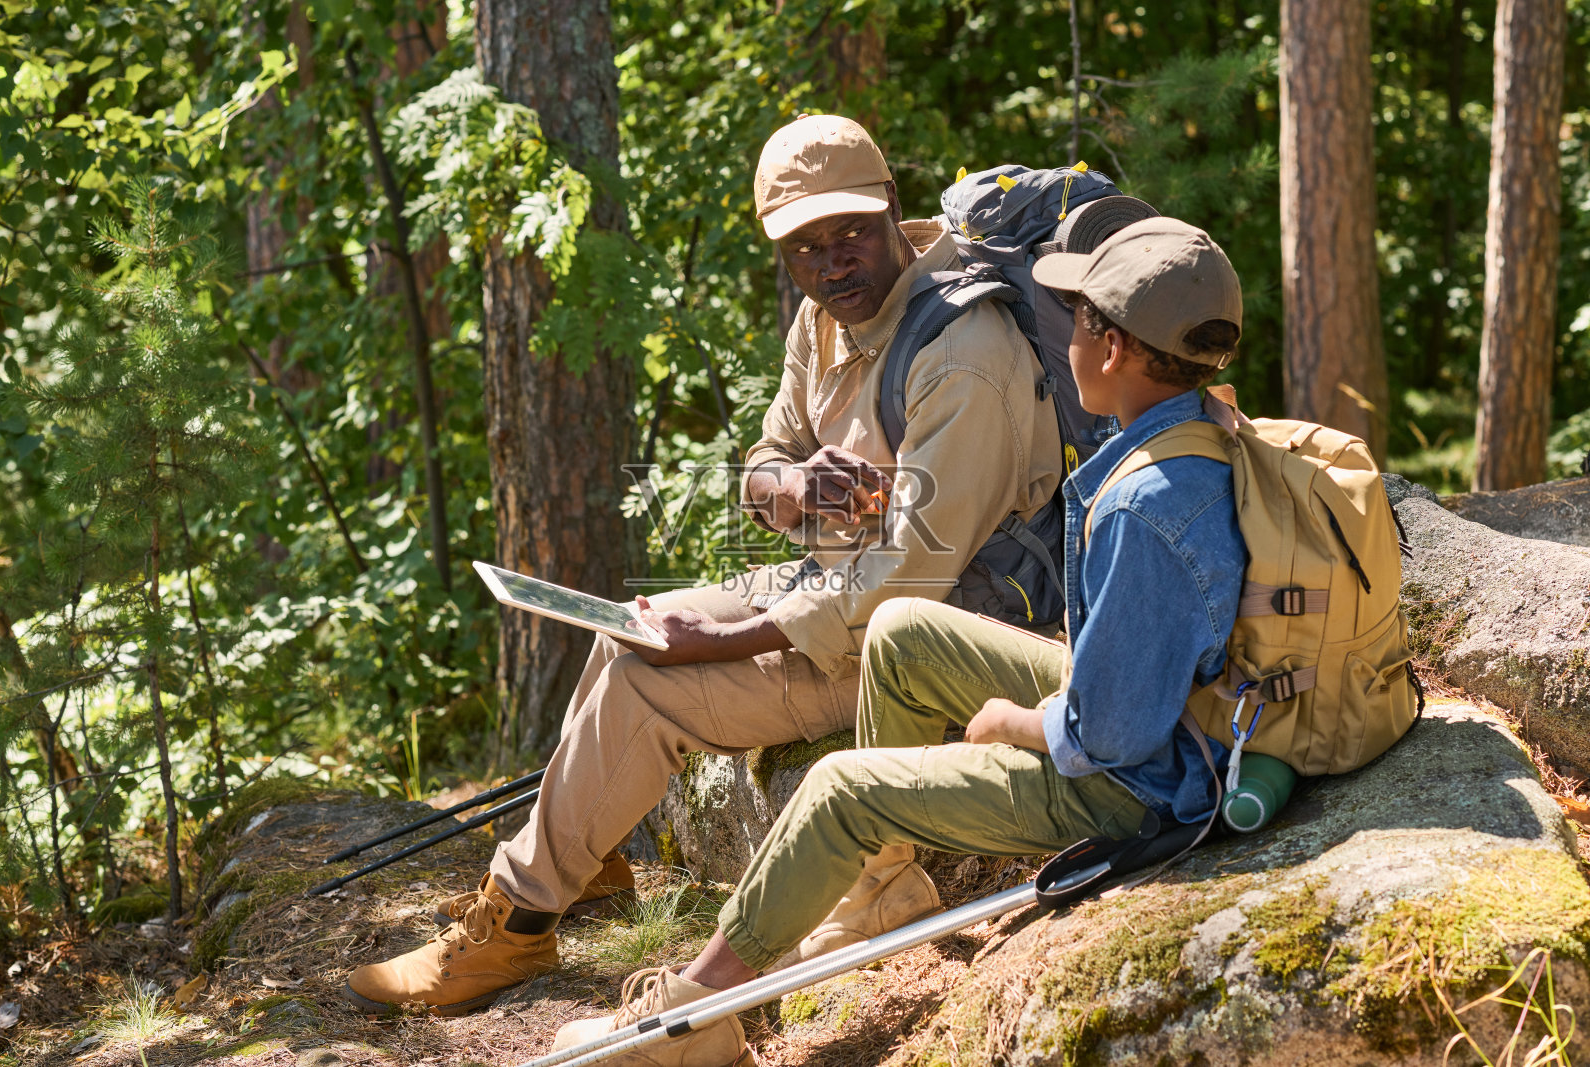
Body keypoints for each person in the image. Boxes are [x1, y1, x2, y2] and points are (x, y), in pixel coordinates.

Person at [343, 114, 1064, 1016]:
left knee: (651, 684)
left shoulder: (963, 354)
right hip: (839, 590)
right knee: (627, 633)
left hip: (936, 638)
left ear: (891, 204)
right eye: (806, 246)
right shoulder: (826, 320)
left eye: (851, 233)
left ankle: (516, 927)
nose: (833, 262)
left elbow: (905, 588)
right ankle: (591, 865)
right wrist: (794, 487)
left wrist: (719, 638)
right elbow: (762, 466)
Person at [547, 217, 1248, 1066]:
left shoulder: (1143, 504)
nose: (1061, 334)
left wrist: (1014, 722)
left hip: (1145, 784)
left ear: (1111, 348)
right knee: (902, 626)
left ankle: (688, 1023)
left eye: (1077, 317)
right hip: (1177, 724)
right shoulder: (1196, 434)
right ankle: (877, 893)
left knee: (844, 786)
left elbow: (1114, 733)